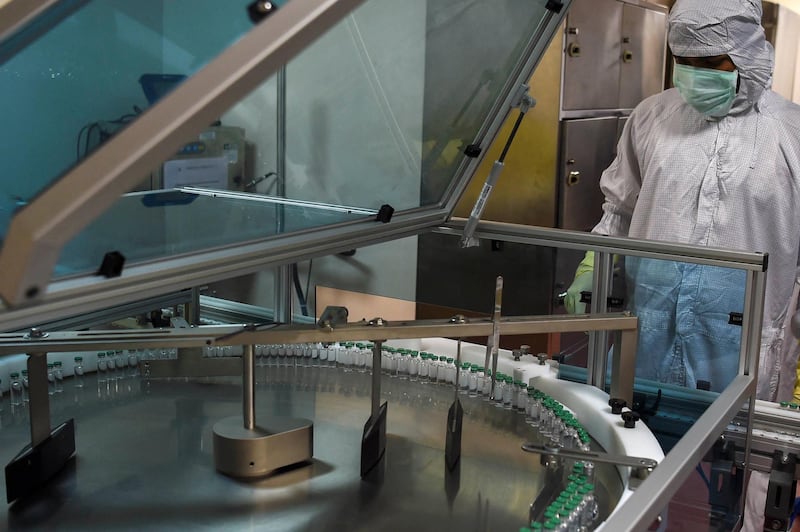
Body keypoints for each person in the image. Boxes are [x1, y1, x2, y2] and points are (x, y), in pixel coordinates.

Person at [565, 0, 800, 529]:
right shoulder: (650, 117)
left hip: (743, 355)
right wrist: (592, 269)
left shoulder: (793, 136)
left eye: (712, 62)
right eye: (684, 60)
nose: (695, 74)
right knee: (635, 470)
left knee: (737, 490)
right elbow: (618, 210)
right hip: (646, 335)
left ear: (747, 54)